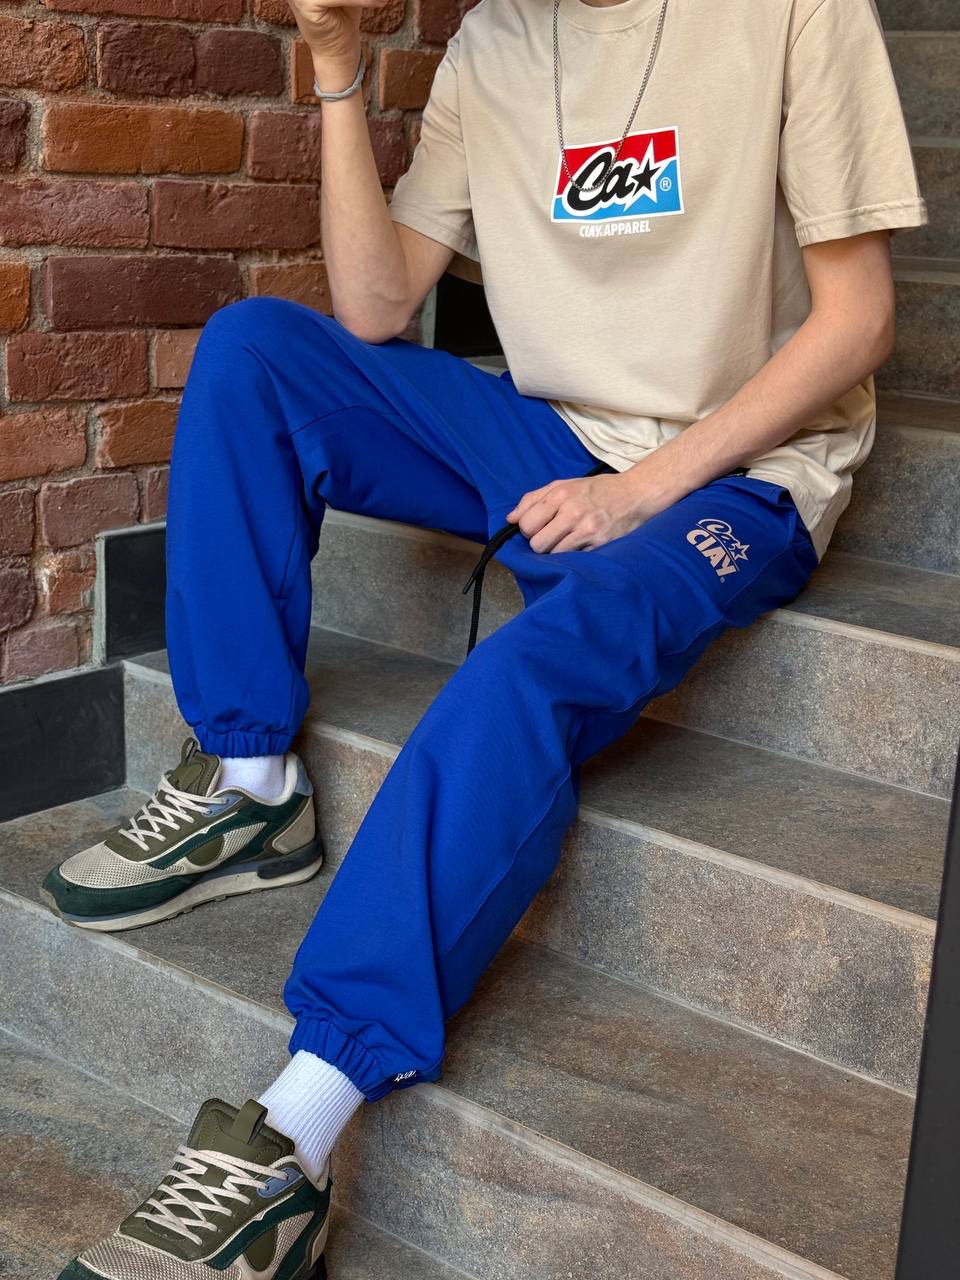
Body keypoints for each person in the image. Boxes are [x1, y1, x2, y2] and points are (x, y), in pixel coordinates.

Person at [45, 0, 928, 1274]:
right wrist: (338, 66)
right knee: (257, 350)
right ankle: (250, 778)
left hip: (742, 477)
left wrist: (643, 491)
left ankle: (294, 1131)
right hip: (548, 433)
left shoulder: (793, 11)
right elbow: (374, 306)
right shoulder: (492, 42)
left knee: (523, 666)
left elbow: (858, 322)